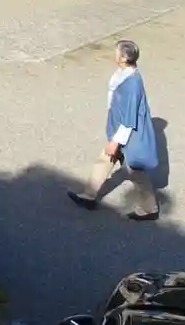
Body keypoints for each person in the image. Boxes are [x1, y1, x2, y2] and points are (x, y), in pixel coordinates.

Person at [67, 39, 159, 222]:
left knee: (136, 172)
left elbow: (129, 119)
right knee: (105, 159)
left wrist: (115, 141)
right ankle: (89, 196)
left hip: (127, 137)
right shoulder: (124, 73)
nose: (114, 54)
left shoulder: (133, 84)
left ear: (124, 58)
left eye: (117, 52)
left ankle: (150, 208)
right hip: (119, 132)